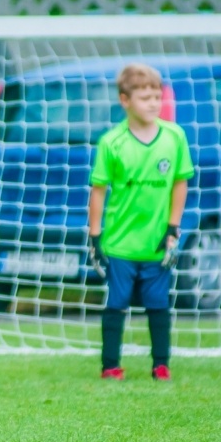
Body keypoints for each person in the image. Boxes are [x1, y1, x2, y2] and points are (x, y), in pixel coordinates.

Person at [88, 62, 195, 382]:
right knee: (117, 303)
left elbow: (180, 181)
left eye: (156, 96)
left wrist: (173, 228)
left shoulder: (174, 137)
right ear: (125, 100)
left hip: (157, 242)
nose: (152, 103)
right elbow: (98, 190)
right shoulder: (111, 142)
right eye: (144, 97)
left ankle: (161, 364)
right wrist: (94, 236)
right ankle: (110, 366)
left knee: (158, 304)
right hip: (120, 244)